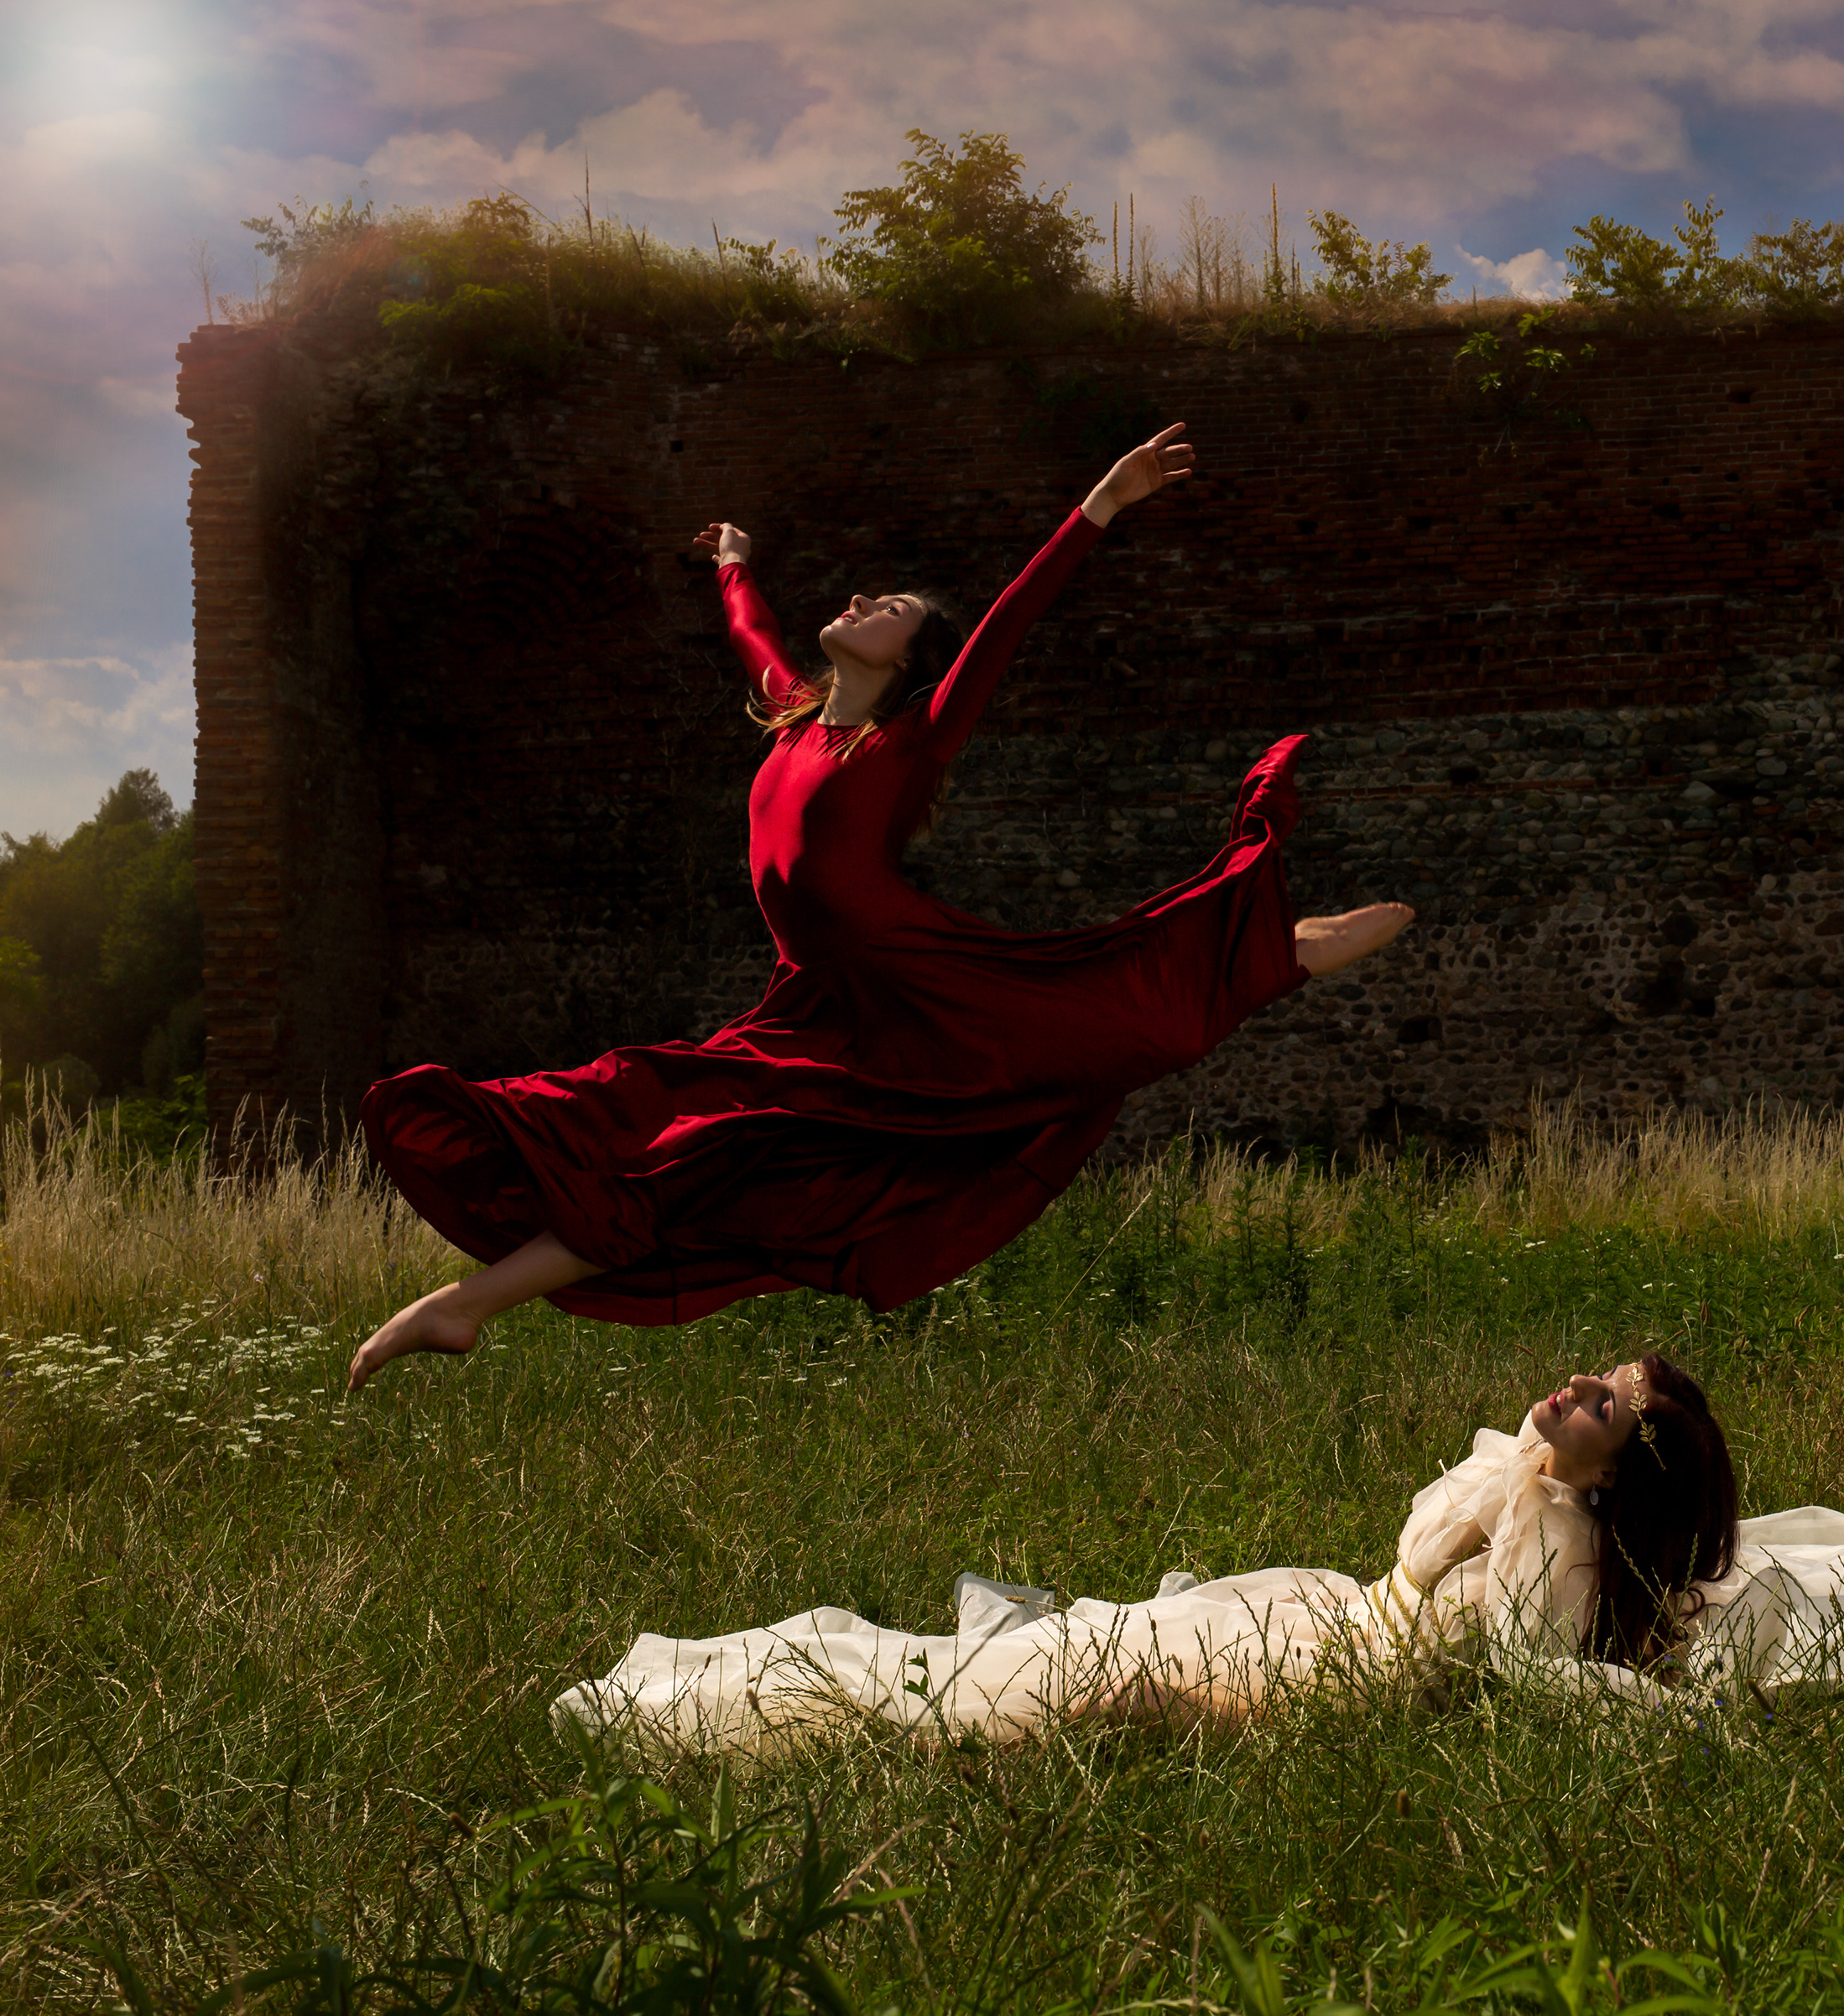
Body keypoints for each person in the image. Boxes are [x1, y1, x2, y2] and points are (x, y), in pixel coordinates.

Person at [350, 425, 1414, 1389]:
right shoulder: (793, 718)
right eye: (866, 598)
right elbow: (751, 631)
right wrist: (734, 562)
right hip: (814, 1006)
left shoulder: (910, 741)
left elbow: (1008, 621)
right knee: (667, 1137)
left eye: (890, 610)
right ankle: (463, 1307)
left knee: (1123, 1013)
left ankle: (1279, 951)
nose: (862, 603)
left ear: (909, 662)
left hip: (918, 987)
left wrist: (1102, 503)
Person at [553, 1355, 1745, 1748]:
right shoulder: (1525, 1469)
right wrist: (1524, 1472)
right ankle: (718, 1692)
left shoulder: (1564, 1550)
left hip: (1324, 1687)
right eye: (1597, 1373)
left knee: (1043, 1703)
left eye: (1603, 1403)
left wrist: (1682, 1718)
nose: (1576, 1383)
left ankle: (714, 1707)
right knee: (1038, 1672)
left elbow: (1531, 1671)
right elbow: (1424, 1557)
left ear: (1614, 1472)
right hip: (1319, 1617)